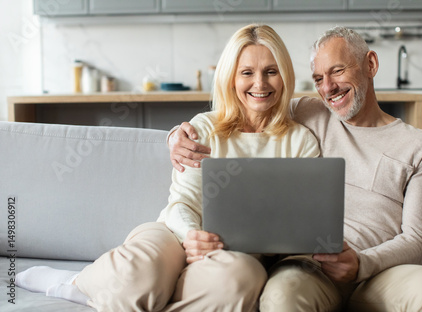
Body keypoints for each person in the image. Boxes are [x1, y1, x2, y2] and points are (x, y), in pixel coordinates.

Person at [15, 24, 320, 311]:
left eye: (271, 72)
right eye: (247, 72)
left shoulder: (301, 142)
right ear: (231, 78)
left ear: (285, 76)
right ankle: (75, 282)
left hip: (234, 255)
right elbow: (182, 203)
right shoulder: (203, 130)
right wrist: (192, 237)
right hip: (175, 234)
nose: (260, 83)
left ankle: (128, 297)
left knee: (243, 277)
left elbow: (297, 223)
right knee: (140, 274)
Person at [168, 26, 422, 311]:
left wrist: (362, 264)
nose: (328, 87)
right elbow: (250, 107)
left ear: (371, 64)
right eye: (318, 77)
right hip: (311, 268)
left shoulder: (420, 147)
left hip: (382, 272)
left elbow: (417, 240)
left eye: (337, 71)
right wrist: (177, 136)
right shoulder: (309, 112)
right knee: (281, 295)